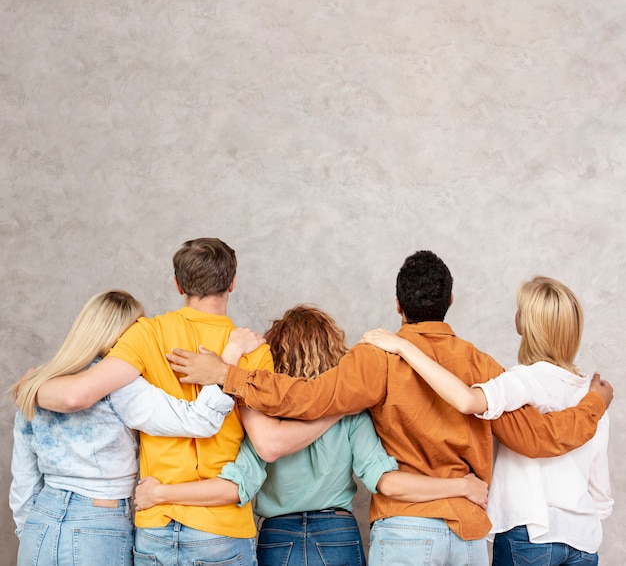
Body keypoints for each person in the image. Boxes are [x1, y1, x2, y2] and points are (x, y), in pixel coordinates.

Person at [166, 250, 613, 566]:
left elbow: (305, 399)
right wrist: (593, 403)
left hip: (405, 532)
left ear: (398, 305)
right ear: (450, 302)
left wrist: (228, 374)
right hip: (468, 534)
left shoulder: (378, 357)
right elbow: (538, 438)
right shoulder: (483, 365)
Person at [33, 238, 333, 565]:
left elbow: (80, 393)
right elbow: (267, 444)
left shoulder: (145, 334)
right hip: (221, 527)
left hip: (155, 523)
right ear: (232, 283)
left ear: (178, 285)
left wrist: (31, 387)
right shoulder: (253, 351)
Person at [134, 305, 489, 566]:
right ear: (335, 350)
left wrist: (161, 493)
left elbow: (240, 482)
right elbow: (386, 480)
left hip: (277, 536)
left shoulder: (261, 411)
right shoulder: (351, 412)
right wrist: (462, 485)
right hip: (338, 533)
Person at [361, 276, 613, 566]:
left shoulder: (521, 380)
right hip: (583, 540)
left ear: (527, 324)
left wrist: (404, 347)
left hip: (529, 533)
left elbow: (467, 400)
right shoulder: (595, 397)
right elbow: (601, 495)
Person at [8, 289, 241, 566]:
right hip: (98, 524)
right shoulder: (120, 385)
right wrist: (226, 365)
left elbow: (23, 477)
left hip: (39, 522)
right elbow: (199, 420)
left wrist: (27, 528)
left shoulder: (36, 384)